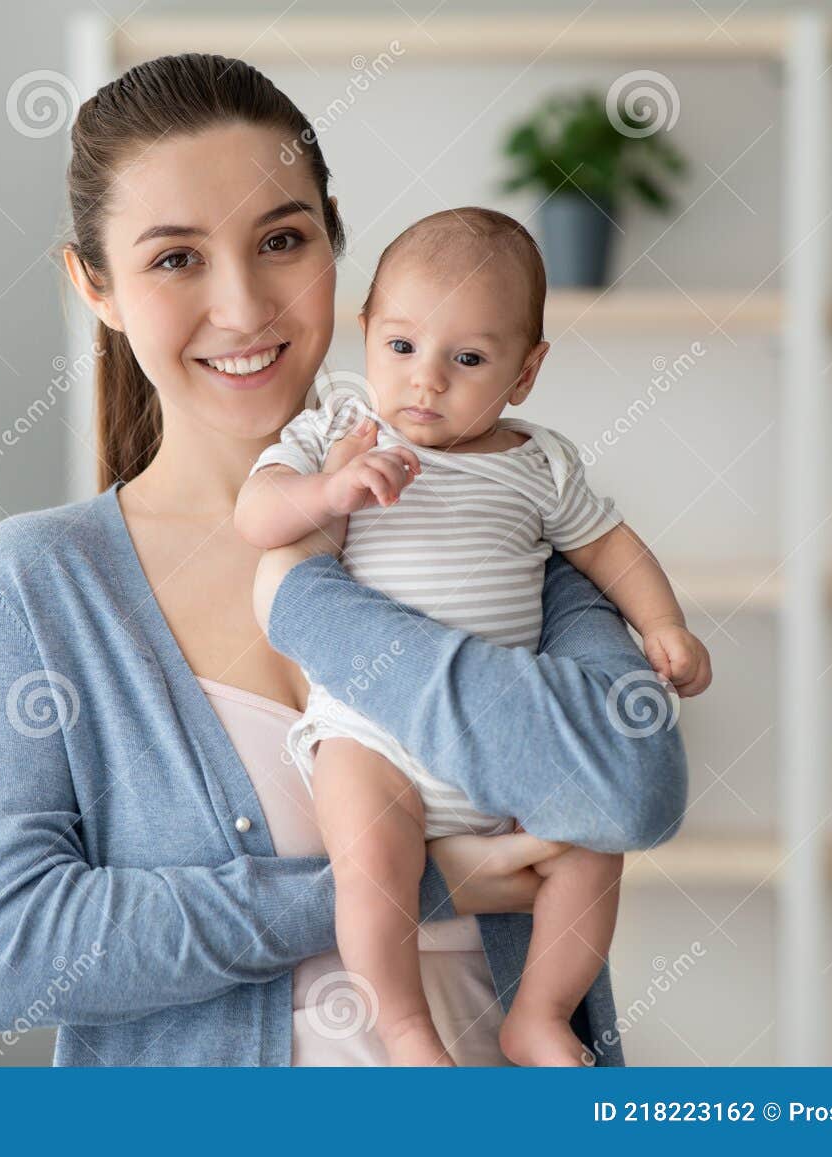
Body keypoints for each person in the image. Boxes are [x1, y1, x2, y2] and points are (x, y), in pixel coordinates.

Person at [0, 52, 687, 1067]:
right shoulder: (45, 580)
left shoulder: (497, 517)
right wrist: (421, 877)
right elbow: (9, 952)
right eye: (174, 259)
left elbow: (631, 788)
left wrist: (309, 602)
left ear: (334, 240)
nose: (244, 307)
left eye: (281, 239)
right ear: (94, 285)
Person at [235, 206, 711, 1066]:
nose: (427, 381)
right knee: (371, 859)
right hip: (371, 733)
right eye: (403, 348)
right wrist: (328, 496)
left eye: (469, 360)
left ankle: (539, 1011)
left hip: (505, 745)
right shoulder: (343, 431)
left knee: (593, 849)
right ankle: (409, 1030)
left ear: (524, 374)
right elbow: (256, 510)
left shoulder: (539, 463)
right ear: (367, 334)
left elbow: (610, 547)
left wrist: (663, 624)